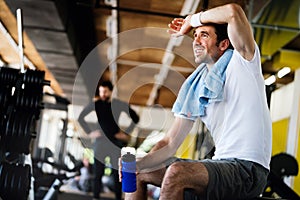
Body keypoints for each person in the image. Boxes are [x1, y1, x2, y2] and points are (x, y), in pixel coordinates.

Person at [121, 3, 272, 200]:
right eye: (195, 36)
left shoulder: (243, 62)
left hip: (249, 171)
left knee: (177, 172)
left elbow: (233, 12)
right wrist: (140, 164)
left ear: (223, 44)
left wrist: (192, 20)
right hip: (221, 164)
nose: (196, 41)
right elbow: (170, 142)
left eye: (204, 35)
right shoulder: (195, 87)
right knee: (139, 171)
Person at [78, 80, 140, 200]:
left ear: (111, 91)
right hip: (100, 142)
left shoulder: (118, 104)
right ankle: (95, 197)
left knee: (117, 173)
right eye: (101, 91)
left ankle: (118, 198)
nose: (103, 94)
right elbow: (81, 117)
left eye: (105, 91)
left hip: (115, 143)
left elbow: (135, 118)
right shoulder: (96, 104)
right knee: (98, 173)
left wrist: (126, 132)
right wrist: (90, 133)